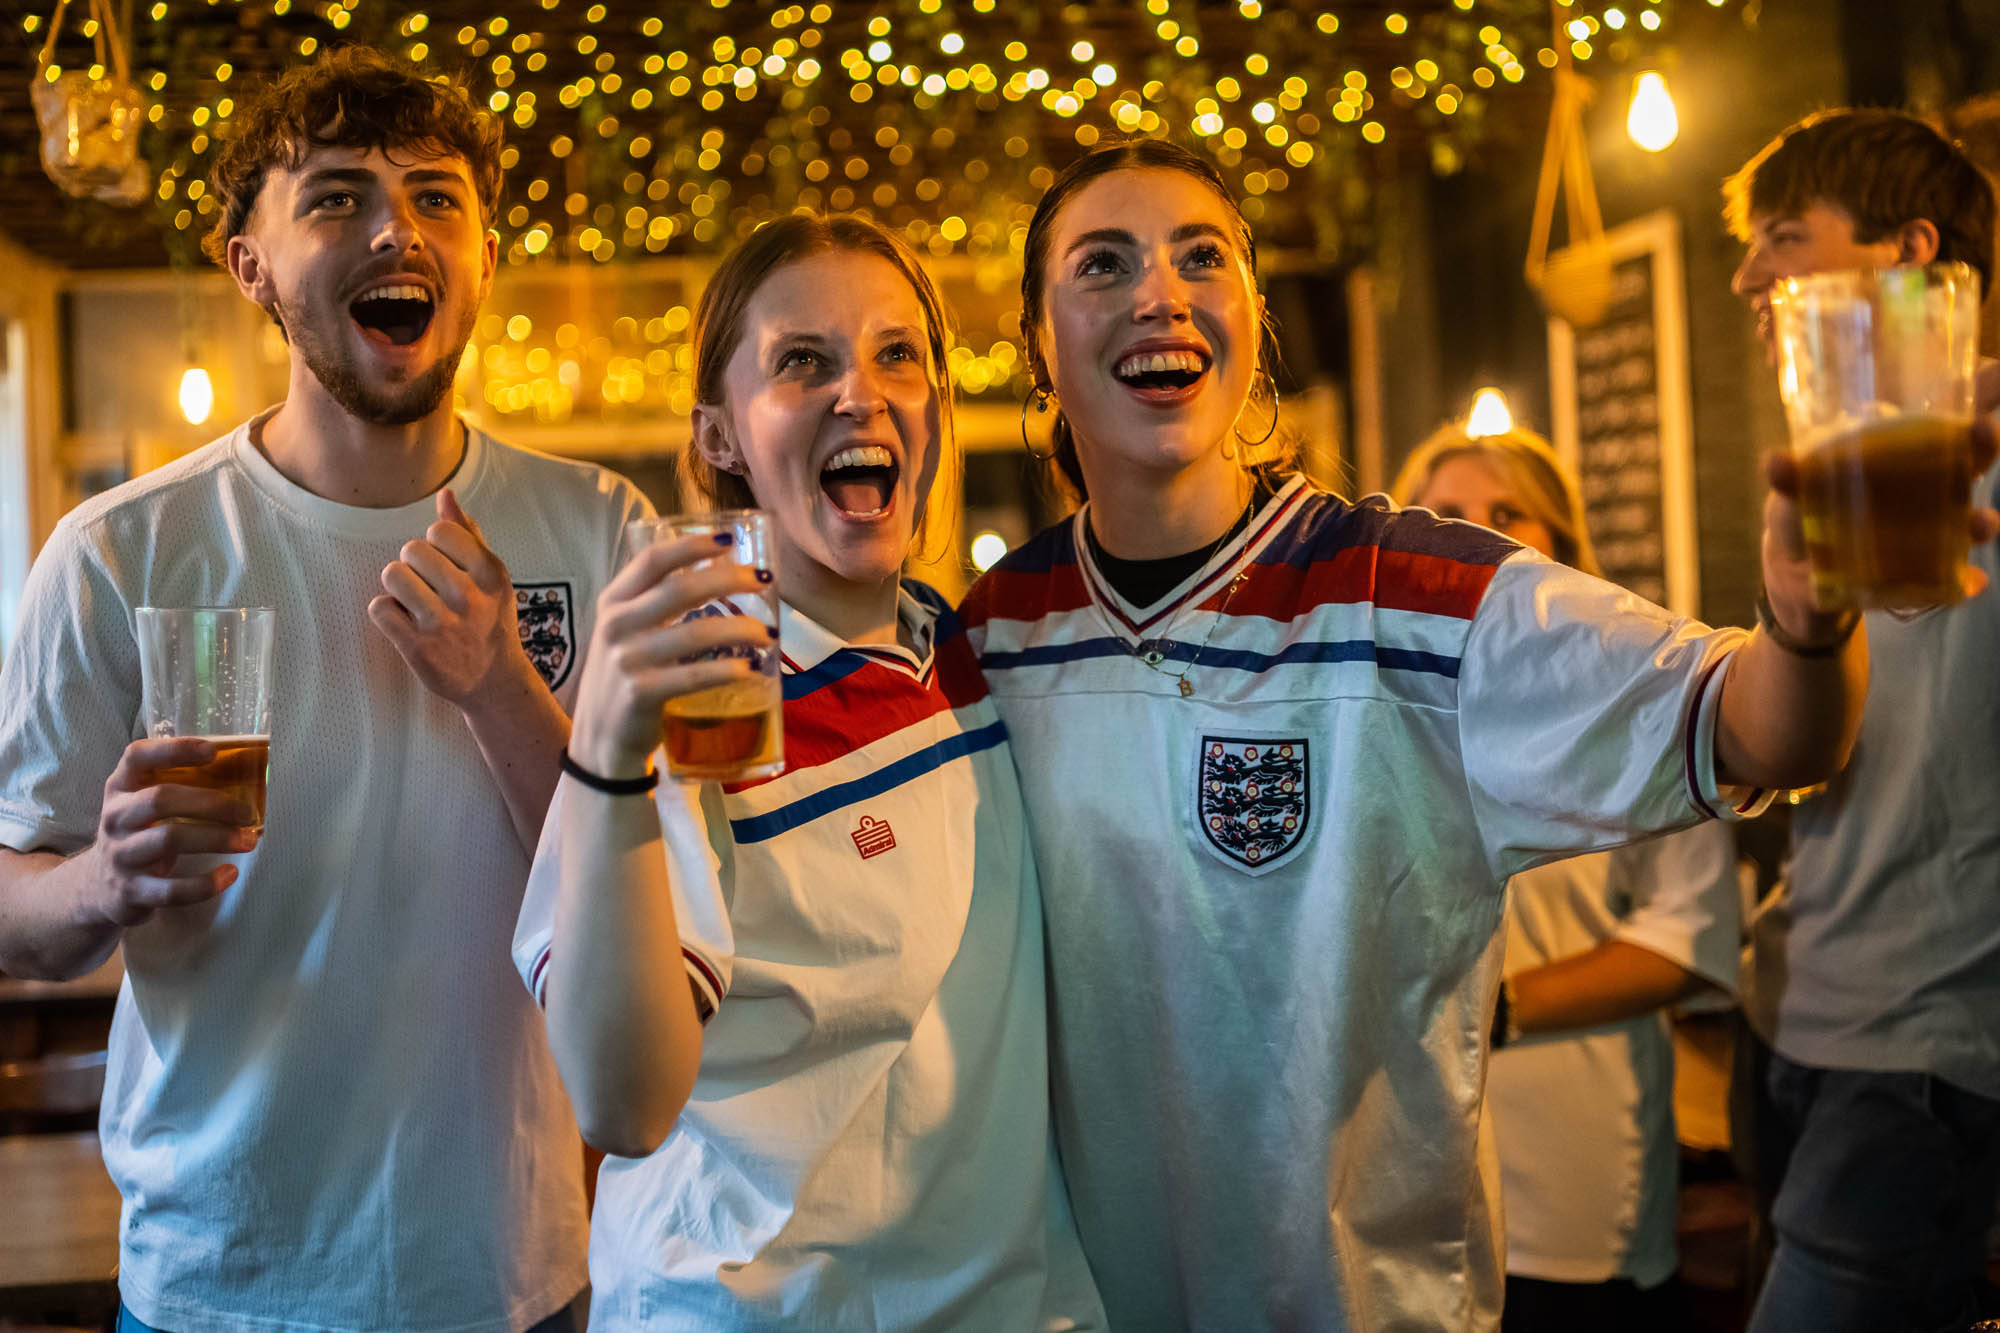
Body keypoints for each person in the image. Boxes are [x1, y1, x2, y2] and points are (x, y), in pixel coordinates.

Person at [956, 136, 1994, 1330]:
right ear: (1036, 341)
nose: (1159, 293)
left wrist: (1805, 625)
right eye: (1102, 263)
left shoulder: (1418, 594)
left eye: (1201, 256)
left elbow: (1762, 734)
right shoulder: (988, 638)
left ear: (1251, 318)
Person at [0, 48, 647, 1332]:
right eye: (337, 197)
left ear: (484, 256)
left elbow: (656, 898)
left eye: (435, 197)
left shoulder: (599, 528)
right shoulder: (121, 551)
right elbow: (18, 909)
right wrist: (102, 881)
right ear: (250, 266)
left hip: (511, 1281)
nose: (395, 229)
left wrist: (501, 688)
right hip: (215, 1286)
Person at [510, 213, 1104, 1331]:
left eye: (896, 354)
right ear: (721, 435)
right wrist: (608, 754)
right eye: (802, 362)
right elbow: (623, 1103)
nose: (859, 393)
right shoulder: (697, 708)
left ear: (936, 410)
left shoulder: (975, 654)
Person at [1725, 107, 2000, 1333]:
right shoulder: (1825, 461)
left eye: (1783, 235)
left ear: (1909, 251)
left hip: (1920, 1047)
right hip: (1787, 1005)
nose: (1748, 276)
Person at [1393, 424, 1743, 1332]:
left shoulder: (1630, 696)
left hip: (1575, 1165)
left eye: (1507, 512)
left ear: (1560, 544)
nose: (1474, 532)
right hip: (1409, 1169)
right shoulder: (1377, 707)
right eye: (1446, 511)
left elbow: (1688, 939)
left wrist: (1493, 1007)